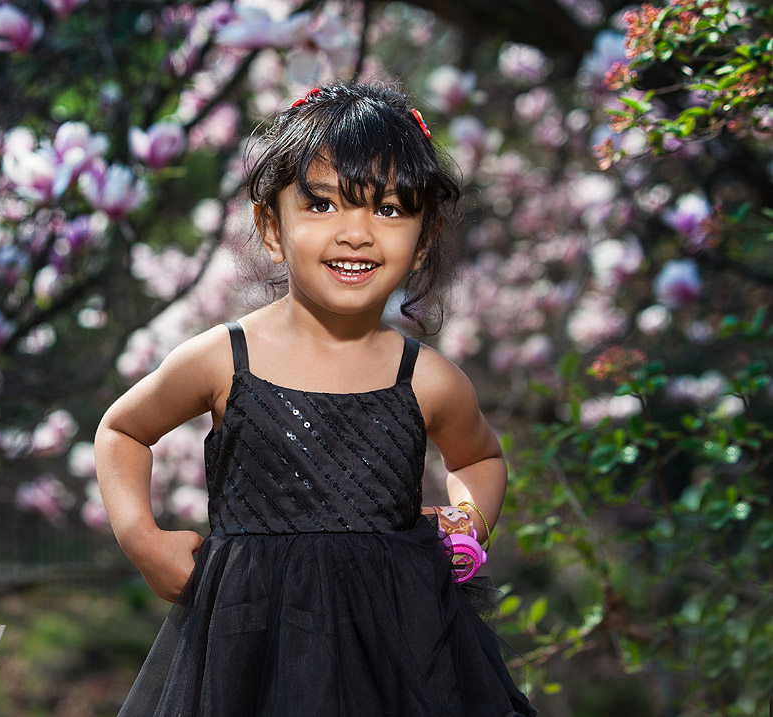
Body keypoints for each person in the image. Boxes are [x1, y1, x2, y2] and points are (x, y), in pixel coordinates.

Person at [94, 80, 538, 715]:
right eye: (323, 205)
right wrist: (143, 536)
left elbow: (478, 459)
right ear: (272, 227)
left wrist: (471, 521)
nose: (356, 233)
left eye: (388, 210)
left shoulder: (427, 378)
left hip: (402, 656)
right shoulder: (223, 358)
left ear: (424, 239)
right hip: (249, 654)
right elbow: (122, 432)